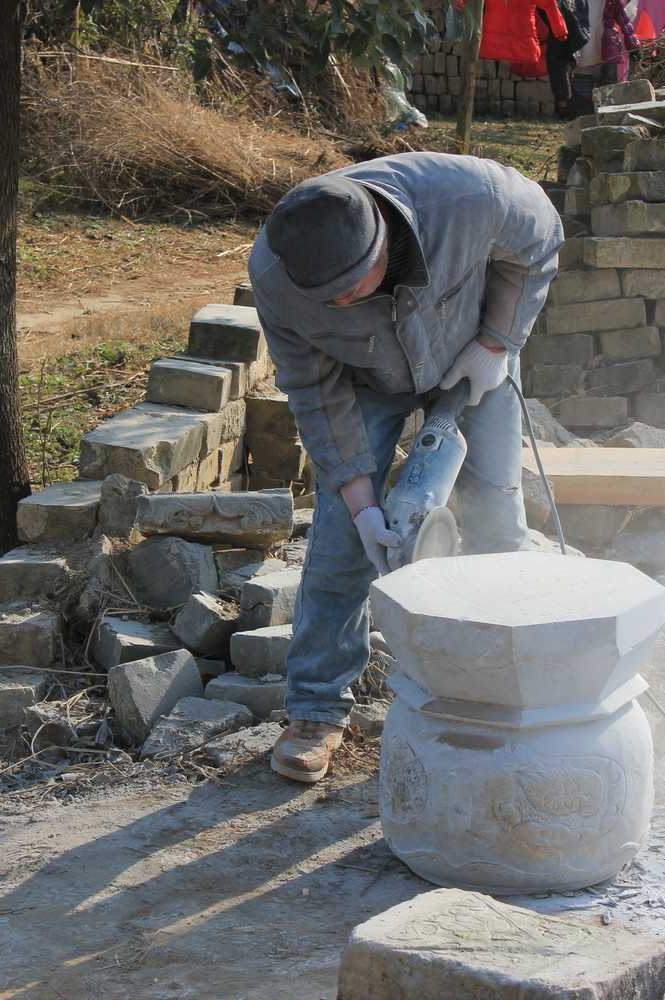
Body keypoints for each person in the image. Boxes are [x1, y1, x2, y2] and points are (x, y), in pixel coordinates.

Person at [248, 153, 563, 784]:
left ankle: (502, 686)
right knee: (340, 543)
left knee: (497, 520)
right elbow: (313, 392)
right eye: (326, 298)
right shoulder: (277, 280)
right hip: (367, 380)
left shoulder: (472, 197)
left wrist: (498, 341)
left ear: (380, 244)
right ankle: (315, 708)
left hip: (473, 349)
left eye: (350, 288)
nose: (338, 301)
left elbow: (540, 240)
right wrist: (363, 505)